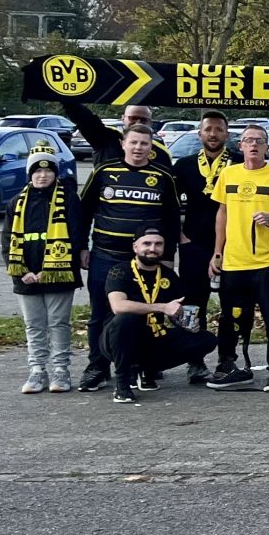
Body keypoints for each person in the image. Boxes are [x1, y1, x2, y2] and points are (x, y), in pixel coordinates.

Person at [78, 125, 182, 393]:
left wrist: (167, 256)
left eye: (144, 143)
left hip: (145, 261)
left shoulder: (162, 176)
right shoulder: (104, 171)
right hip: (105, 254)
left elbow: (171, 220)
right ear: (123, 144)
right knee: (100, 313)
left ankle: (143, 366)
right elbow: (84, 211)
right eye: (133, 142)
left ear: (151, 147)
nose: (138, 148)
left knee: (144, 312)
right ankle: (97, 367)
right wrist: (81, 247)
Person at [205, 125, 269, 393]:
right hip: (234, 261)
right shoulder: (229, 173)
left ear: (267, 147)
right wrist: (217, 252)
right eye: (248, 140)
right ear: (241, 146)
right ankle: (231, 366)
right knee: (233, 318)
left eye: (259, 141)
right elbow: (222, 213)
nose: (254, 145)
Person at [2, 148, 85, 393]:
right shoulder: (17, 202)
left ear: (56, 174)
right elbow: (7, 241)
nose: (42, 175)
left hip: (60, 273)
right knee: (34, 325)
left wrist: (51, 269)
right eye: (37, 170)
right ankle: (37, 370)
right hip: (26, 275)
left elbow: (77, 235)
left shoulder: (68, 199)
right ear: (30, 174)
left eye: (48, 171)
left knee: (58, 323)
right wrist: (21, 272)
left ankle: (61, 370)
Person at [103, 229, 217, 404]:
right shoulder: (120, 271)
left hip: (154, 335)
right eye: (147, 243)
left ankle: (146, 370)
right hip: (118, 339)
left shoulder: (168, 275)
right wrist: (162, 307)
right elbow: (118, 306)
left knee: (206, 339)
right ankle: (123, 383)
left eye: (158, 244)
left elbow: (175, 311)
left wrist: (185, 323)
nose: (152, 248)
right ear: (135, 247)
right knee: (125, 319)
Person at [170, 110, 230, 383]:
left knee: (231, 302)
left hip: (231, 245)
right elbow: (168, 204)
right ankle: (194, 361)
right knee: (193, 304)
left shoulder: (238, 163)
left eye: (218, 129)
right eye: (208, 129)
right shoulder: (184, 165)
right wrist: (180, 236)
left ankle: (227, 358)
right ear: (200, 133)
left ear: (227, 134)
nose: (213, 134)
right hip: (193, 244)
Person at [61, 99, 171, 172]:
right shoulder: (106, 138)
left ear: (150, 122)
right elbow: (83, 118)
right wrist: (64, 96)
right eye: (133, 118)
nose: (138, 122)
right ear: (123, 118)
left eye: (143, 119)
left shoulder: (160, 151)